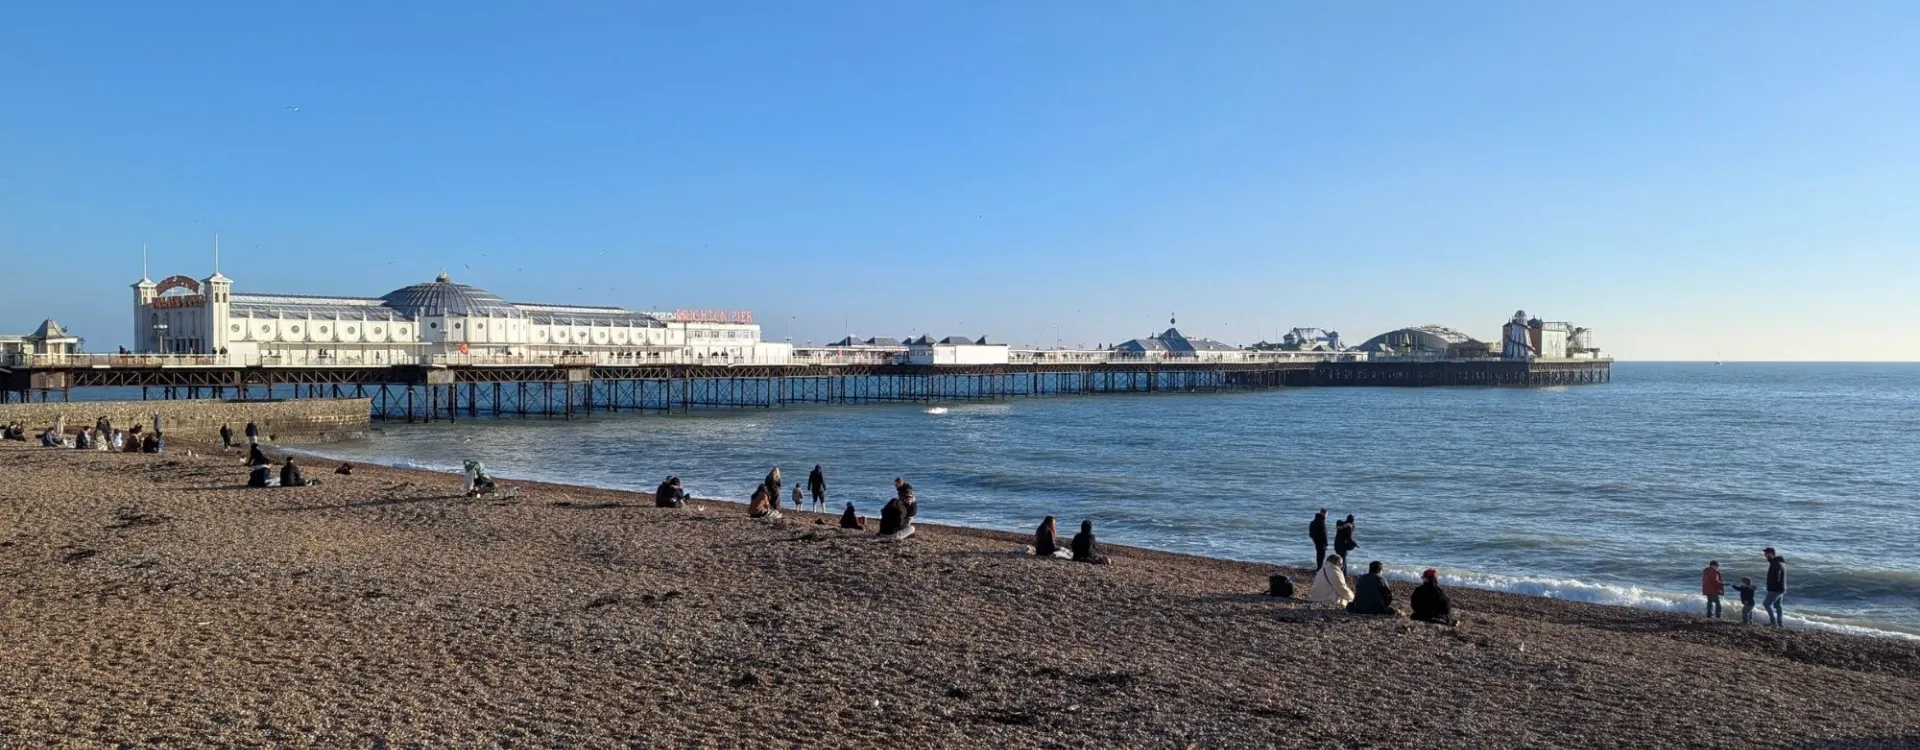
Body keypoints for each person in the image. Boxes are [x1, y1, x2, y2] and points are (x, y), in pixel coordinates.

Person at [1763, 548, 1787, 627]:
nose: (1765, 555)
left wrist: (1771, 588)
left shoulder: (1776, 563)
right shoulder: (1780, 562)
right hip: (1781, 588)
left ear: (1771, 553)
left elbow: (1776, 577)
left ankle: (1773, 622)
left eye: (1766, 554)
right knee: (1778, 606)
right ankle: (1780, 624)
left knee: (1766, 604)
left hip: (1775, 589)